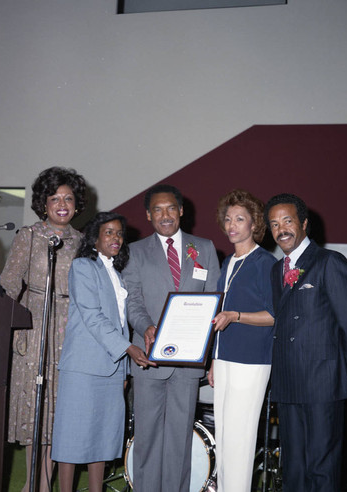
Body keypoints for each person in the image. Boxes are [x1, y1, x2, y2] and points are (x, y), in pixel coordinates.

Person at [122, 184, 219, 492]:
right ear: (149, 215)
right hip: (149, 357)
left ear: (181, 211)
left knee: (180, 438)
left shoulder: (204, 248)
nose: (165, 215)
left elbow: (215, 300)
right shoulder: (135, 251)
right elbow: (132, 301)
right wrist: (147, 326)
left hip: (189, 362)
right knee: (147, 437)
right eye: (158, 210)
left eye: (171, 209)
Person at [264, 193, 347, 492]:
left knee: (322, 465)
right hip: (287, 380)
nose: (281, 229)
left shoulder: (329, 262)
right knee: (293, 465)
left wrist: (338, 372)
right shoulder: (275, 270)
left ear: (304, 223)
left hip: (323, 381)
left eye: (288, 221)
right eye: (274, 224)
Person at [51, 212, 154, 492]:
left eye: (119, 233)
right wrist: (129, 349)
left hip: (112, 366)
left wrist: (123, 367)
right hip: (83, 366)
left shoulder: (117, 274)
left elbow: (121, 323)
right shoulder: (84, 266)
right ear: (95, 238)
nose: (115, 238)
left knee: (103, 437)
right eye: (108, 232)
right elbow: (92, 316)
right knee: (72, 437)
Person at [0, 166, 86, 492]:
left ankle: (46, 484)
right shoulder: (29, 235)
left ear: (77, 205)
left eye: (68, 198)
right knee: (36, 405)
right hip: (34, 325)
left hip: (70, 329)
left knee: (57, 409)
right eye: (55, 198)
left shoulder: (82, 241)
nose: (62, 204)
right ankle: (31, 484)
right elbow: (8, 285)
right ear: (43, 203)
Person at [207, 189, 276, 492]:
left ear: (254, 224)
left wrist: (236, 315)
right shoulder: (228, 263)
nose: (232, 225)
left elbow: (274, 315)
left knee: (240, 439)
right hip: (224, 359)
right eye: (228, 219)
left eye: (240, 219)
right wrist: (213, 361)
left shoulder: (265, 263)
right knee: (223, 437)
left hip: (251, 360)